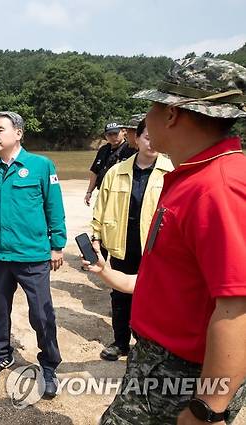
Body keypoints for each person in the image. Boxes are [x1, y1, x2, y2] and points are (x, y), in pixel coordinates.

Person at [83, 57, 246, 424]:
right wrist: (118, 278)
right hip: (160, 362)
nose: (147, 117)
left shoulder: (219, 188)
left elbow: (237, 307)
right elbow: (183, 279)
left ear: (172, 114)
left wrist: (207, 410)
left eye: (153, 105)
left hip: (183, 371)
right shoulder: (193, 177)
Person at [0, 111, 66, 398]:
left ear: (18, 133)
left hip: (33, 255)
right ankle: (2, 353)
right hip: (0, 256)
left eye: (0, 129)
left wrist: (58, 245)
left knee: (42, 314)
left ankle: (49, 366)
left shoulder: (41, 166)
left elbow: (54, 208)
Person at [91, 119, 173, 362]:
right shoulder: (116, 172)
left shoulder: (172, 172)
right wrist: (96, 237)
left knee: (152, 297)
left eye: (158, 136)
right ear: (136, 139)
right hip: (122, 245)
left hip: (156, 248)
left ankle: (146, 342)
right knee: (120, 296)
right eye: (148, 136)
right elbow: (100, 208)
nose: (153, 142)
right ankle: (120, 342)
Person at [84, 123, 137, 207]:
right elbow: (95, 172)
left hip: (120, 194)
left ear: (123, 132)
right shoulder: (103, 150)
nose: (113, 137)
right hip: (102, 192)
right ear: (105, 136)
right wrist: (89, 192)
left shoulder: (130, 149)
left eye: (115, 134)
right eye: (109, 134)